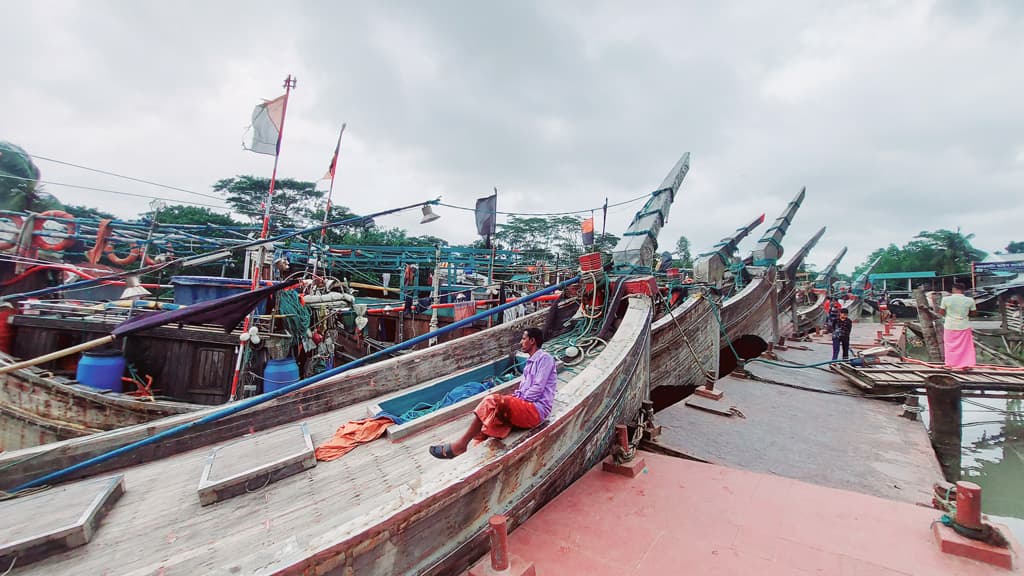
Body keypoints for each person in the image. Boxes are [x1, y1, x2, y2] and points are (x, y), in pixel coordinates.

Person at [429, 327, 557, 459]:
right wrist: (515, 398)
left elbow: (537, 388)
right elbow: (524, 390)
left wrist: (518, 400)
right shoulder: (530, 362)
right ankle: (473, 451)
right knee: (493, 414)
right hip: (527, 405)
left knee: (493, 400)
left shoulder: (544, 358)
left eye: (523, 339)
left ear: (532, 340)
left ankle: (461, 445)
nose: (521, 342)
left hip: (537, 410)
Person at [939, 282, 977, 369]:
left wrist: (949, 315)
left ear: (953, 289)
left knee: (950, 346)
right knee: (966, 346)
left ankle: (950, 364)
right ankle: (966, 364)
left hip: (950, 325)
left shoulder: (946, 299)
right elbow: (974, 313)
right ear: (963, 290)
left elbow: (941, 312)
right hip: (964, 325)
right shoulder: (970, 300)